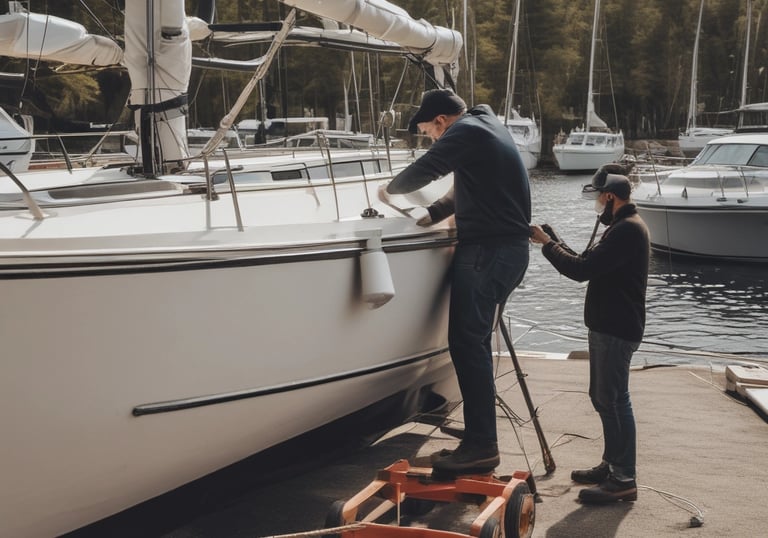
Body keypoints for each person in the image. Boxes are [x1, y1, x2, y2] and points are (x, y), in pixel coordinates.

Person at [379, 88, 531, 474]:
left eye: (428, 130)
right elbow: (463, 186)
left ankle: (481, 445)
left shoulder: (465, 131)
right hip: (506, 251)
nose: (430, 137)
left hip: (487, 252)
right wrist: (433, 212)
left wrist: (388, 190)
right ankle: (479, 441)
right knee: (473, 344)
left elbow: (427, 168)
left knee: (467, 344)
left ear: (442, 121)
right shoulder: (489, 125)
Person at [529, 165, 650, 504]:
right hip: (608, 325)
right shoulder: (622, 227)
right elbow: (587, 261)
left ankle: (623, 478)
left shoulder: (626, 230)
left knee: (612, 399)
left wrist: (547, 243)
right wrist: (554, 241)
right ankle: (612, 465)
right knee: (603, 397)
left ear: (610, 196)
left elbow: (580, 271)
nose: (596, 202)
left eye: (599, 196)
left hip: (615, 328)